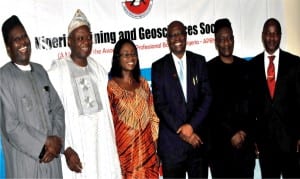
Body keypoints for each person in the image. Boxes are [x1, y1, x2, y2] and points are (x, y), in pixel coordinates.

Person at [47, 9, 121, 179]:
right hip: (76, 146)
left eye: (88, 37)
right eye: (80, 38)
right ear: (69, 41)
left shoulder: (98, 70)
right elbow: (50, 114)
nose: (86, 42)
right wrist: (65, 147)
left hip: (102, 144)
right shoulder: (57, 71)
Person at [0, 15, 65, 178]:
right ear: (8, 49)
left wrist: (56, 140)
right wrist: (43, 146)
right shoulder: (4, 78)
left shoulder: (40, 71)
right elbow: (11, 127)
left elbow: (58, 108)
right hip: (26, 166)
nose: (23, 42)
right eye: (16, 39)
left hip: (52, 164)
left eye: (24, 36)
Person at [151, 20, 212, 178]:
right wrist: (183, 130)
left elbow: (207, 97)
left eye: (180, 34)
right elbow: (160, 105)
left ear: (186, 36)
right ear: (167, 40)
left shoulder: (199, 61)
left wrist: (191, 127)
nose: (176, 38)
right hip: (172, 147)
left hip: (197, 144)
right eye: (172, 35)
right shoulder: (158, 67)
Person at [249, 17, 300, 178]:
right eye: (268, 34)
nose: (272, 38)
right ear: (263, 35)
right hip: (265, 143)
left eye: (275, 34)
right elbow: (250, 107)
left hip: (290, 141)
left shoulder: (294, 63)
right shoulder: (252, 66)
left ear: (280, 36)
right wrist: (253, 138)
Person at [206, 18, 255, 178]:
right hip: (220, 149)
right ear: (216, 43)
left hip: (245, 147)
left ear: (233, 39)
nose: (226, 42)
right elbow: (210, 109)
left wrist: (243, 132)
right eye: (221, 39)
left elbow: (254, 105)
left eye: (229, 38)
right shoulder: (208, 70)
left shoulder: (246, 67)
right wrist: (231, 133)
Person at [107, 38, 160, 178]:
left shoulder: (142, 83)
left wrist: (155, 149)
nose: (131, 57)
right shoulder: (111, 87)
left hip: (148, 155)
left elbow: (153, 116)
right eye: (126, 54)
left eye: (133, 53)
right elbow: (109, 123)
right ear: (117, 58)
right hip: (125, 156)